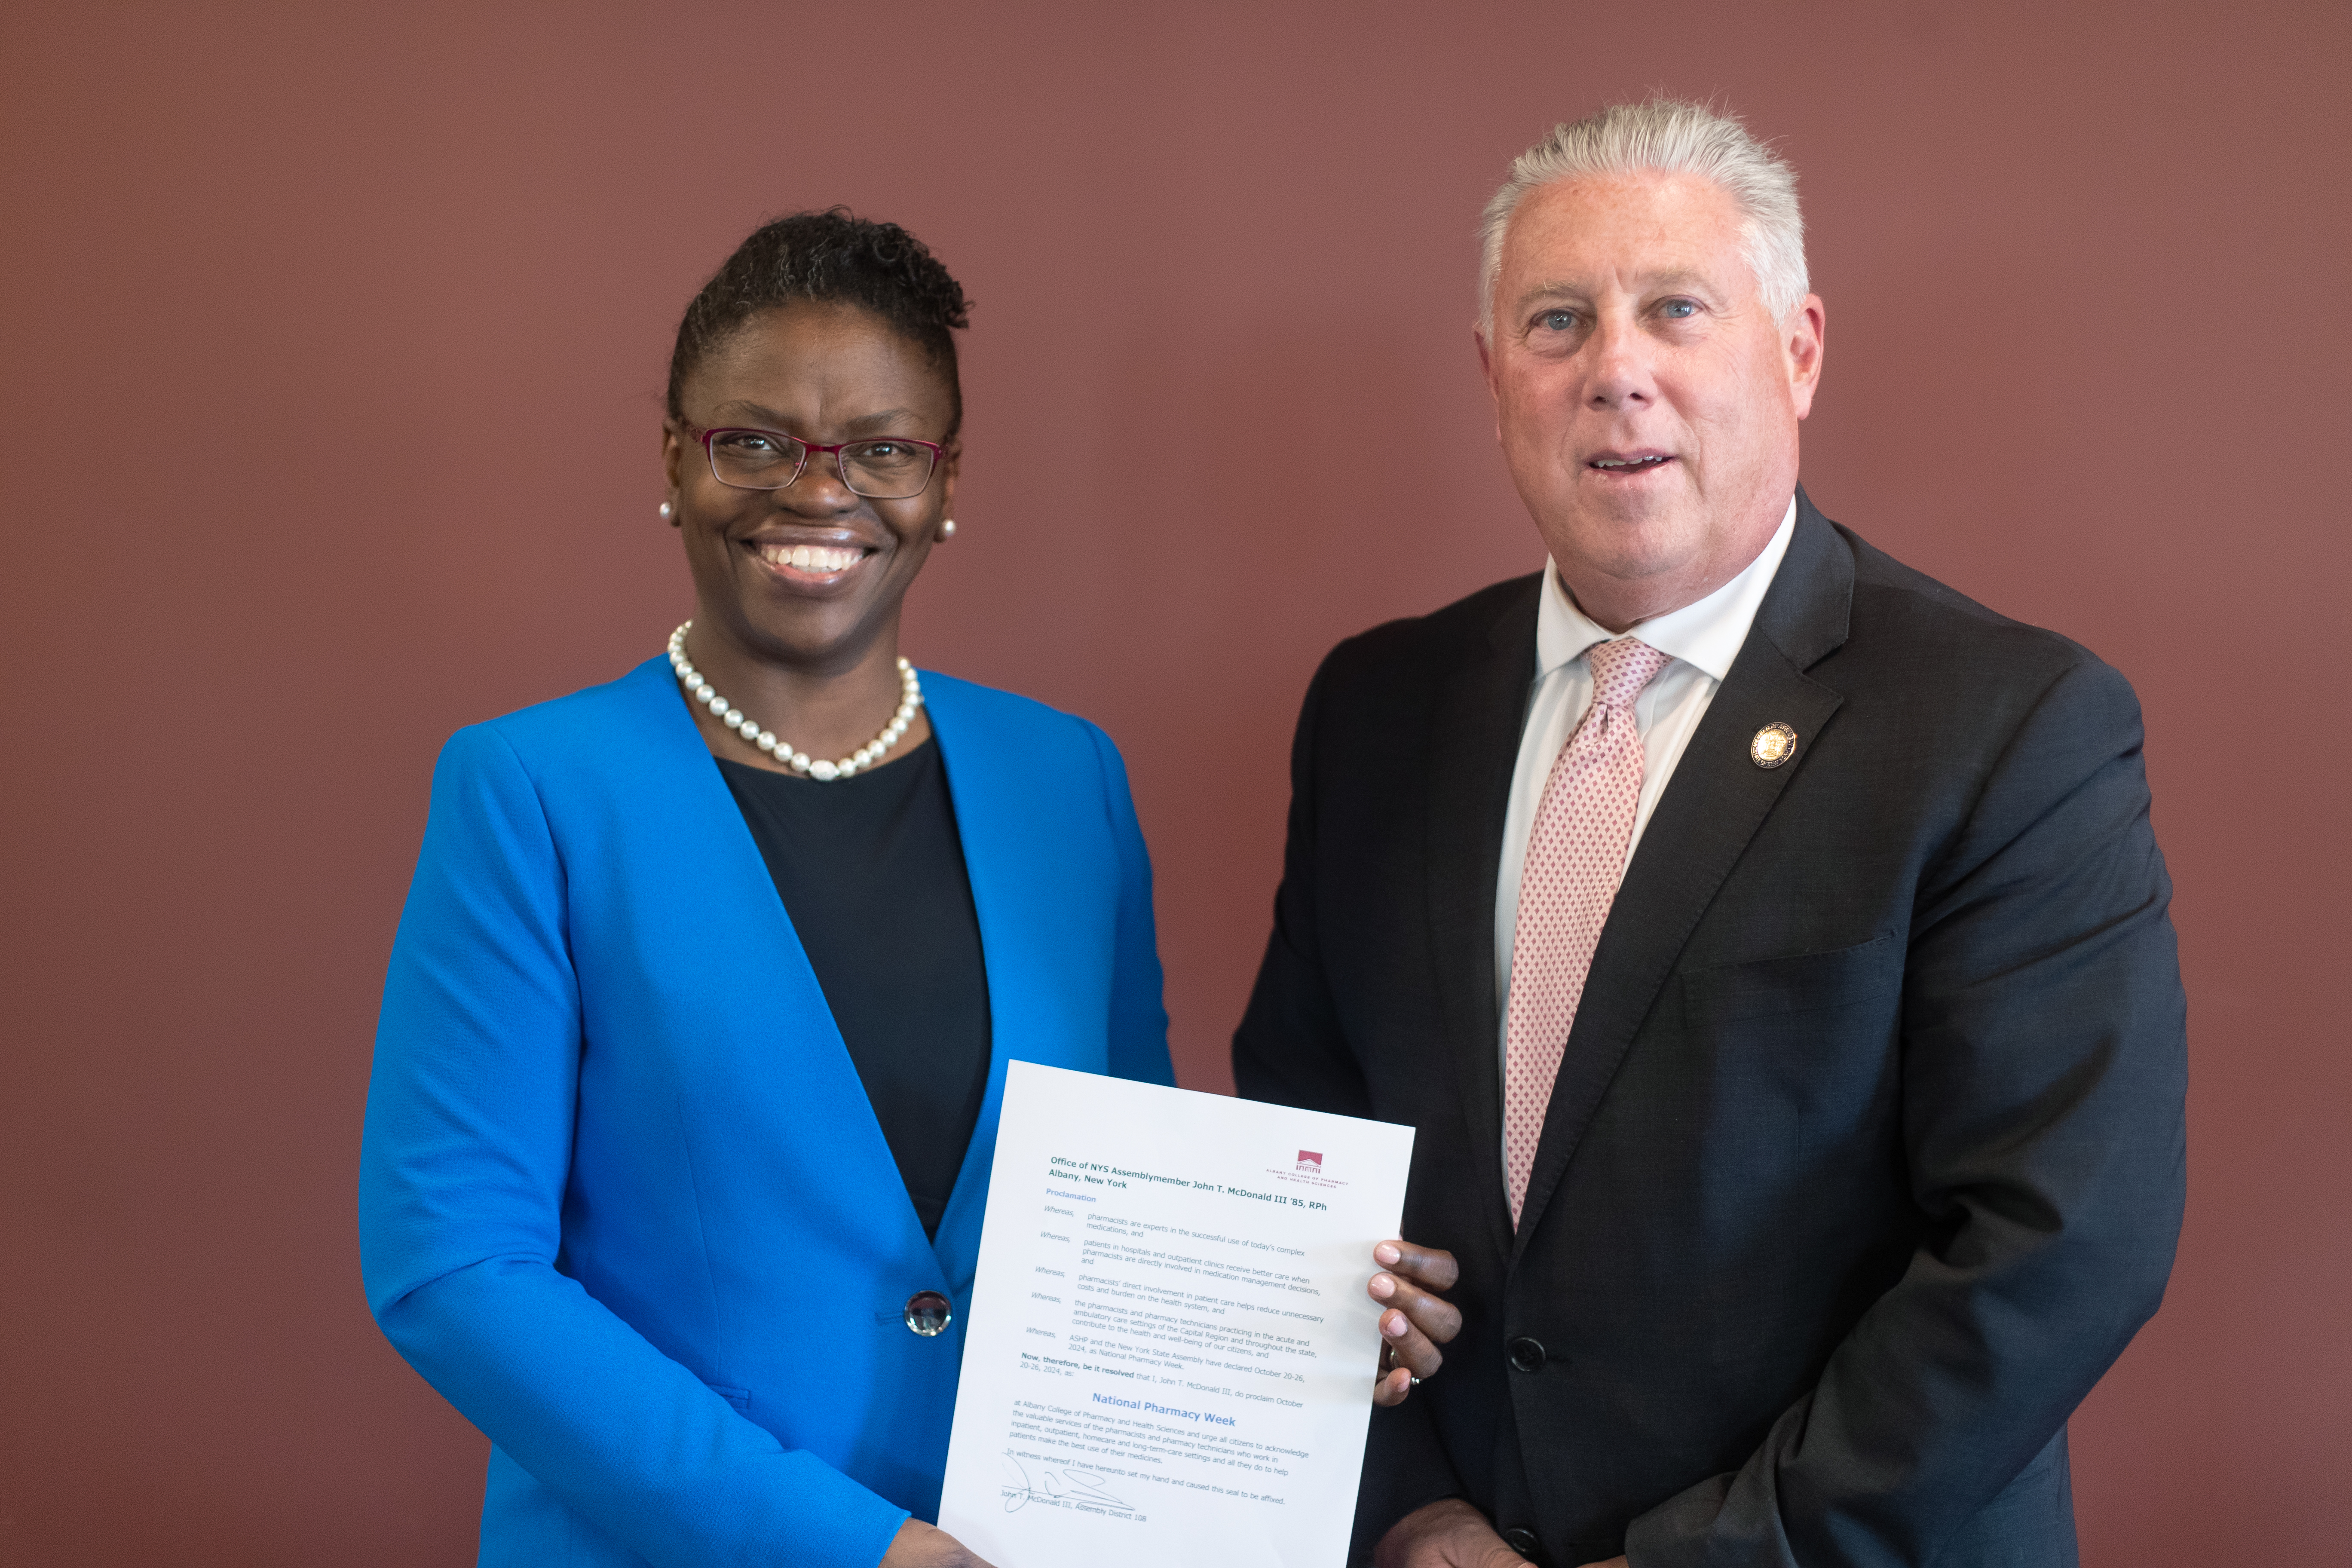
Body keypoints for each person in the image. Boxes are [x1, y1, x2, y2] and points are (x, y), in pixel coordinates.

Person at [1233, 100, 2187, 1568]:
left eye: (1677, 310)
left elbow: (2060, 1240)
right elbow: (1304, 1139)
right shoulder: (1379, 707)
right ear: (1494, 381)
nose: (1619, 371)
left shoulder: (2007, 724)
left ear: (1797, 351)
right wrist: (1412, 1509)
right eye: (1559, 323)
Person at [359, 210, 1174, 1568]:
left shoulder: (1067, 780)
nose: (819, 492)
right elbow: (455, 1268)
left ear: (945, 481)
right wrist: (845, 1545)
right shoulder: (534, 790)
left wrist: (1309, 1316)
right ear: (675, 463)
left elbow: (1136, 1195)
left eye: (882, 450)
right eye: (755, 441)